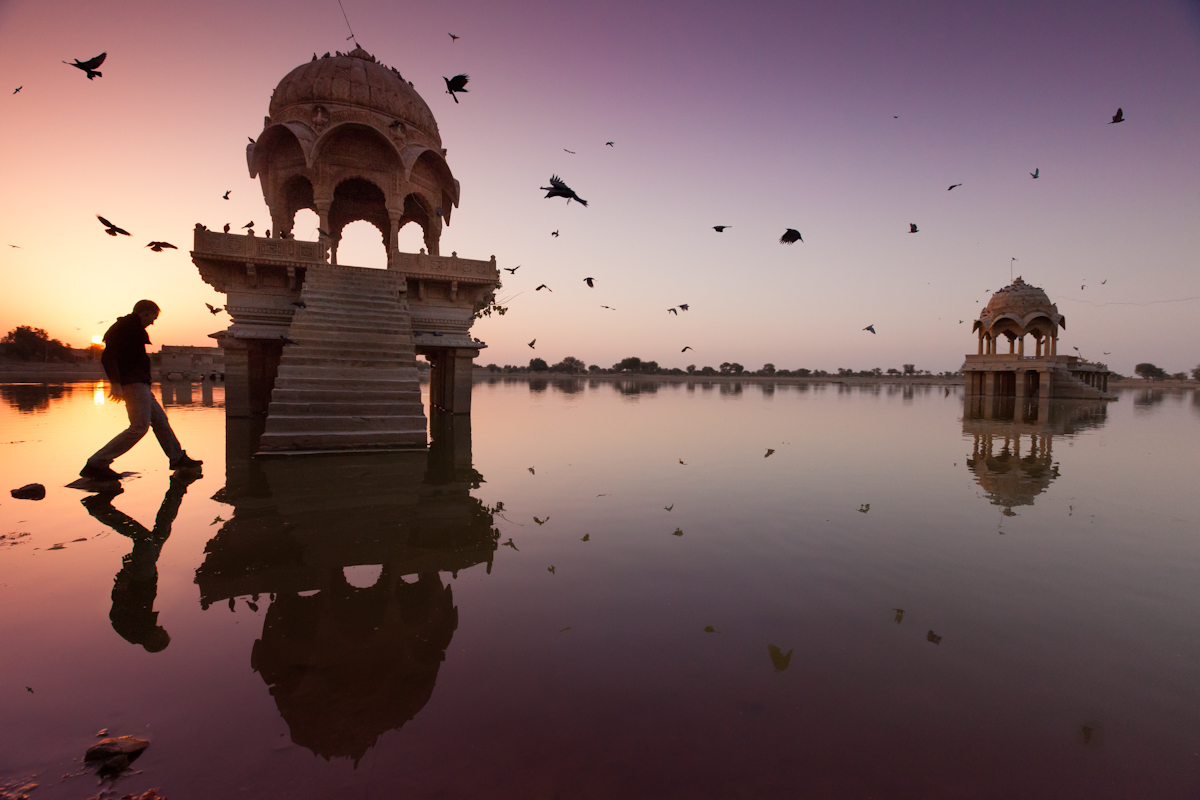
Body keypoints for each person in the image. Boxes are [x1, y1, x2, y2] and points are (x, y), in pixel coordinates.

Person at [80, 299, 202, 481]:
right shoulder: (124, 328)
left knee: (160, 420)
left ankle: (177, 458)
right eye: (152, 318)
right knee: (138, 427)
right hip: (133, 384)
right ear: (144, 313)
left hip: (140, 383)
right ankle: (96, 463)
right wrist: (115, 383)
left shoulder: (132, 328)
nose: (152, 322)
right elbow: (109, 356)